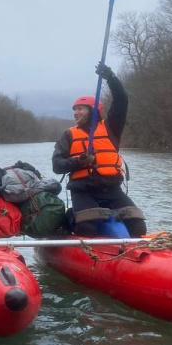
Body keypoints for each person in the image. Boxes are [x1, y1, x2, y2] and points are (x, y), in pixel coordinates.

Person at [51, 63, 146, 237]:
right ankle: (70, 219)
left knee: (138, 227)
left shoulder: (111, 128)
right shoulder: (69, 135)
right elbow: (57, 166)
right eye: (75, 110)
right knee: (88, 228)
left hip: (112, 188)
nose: (76, 113)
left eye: (80, 109)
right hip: (82, 191)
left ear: (93, 110)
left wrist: (110, 77)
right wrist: (79, 161)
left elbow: (121, 100)